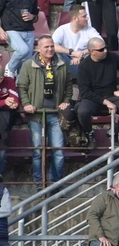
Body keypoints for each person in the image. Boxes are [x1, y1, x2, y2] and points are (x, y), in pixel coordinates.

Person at [18, 36, 70, 182]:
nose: (50, 49)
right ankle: (39, 184)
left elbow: (68, 86)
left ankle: (54, 183)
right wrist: (27, 104)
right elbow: (22, 87)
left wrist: (66, 101)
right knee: (37, 152)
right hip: (36, 115)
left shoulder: (62, 64)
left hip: (55, 114)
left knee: (58, 152)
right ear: (38, 48)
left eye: (52, 46)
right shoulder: (28, 64)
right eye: (46, 47)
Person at [85, 174, 119, 246]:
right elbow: (91, 216)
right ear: (118, 186)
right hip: (103, 243)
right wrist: (101, 236)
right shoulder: (105, 197)